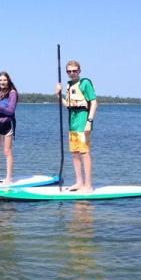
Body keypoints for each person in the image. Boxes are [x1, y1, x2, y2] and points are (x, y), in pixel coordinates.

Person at [55, 60, 97, 192]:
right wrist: (58, 94)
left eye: (74, 71)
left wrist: (89, 122)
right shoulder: (69, 85)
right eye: (69, 71)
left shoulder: (85, 83)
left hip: (83, 121)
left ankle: (88, 185)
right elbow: (68, 104)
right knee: (74, 153)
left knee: (84, 152)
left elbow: (94, 102)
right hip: (72, 123)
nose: (72, 73)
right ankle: (79, 182)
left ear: (79, 71)